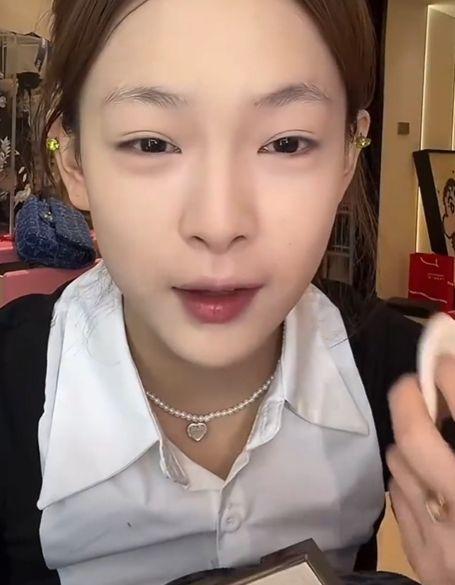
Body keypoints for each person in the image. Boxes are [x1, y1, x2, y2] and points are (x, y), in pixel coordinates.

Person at [0, 1, 453, 584]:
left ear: (348, 154)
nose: (218, 224)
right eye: (151, 144)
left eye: (286, 144)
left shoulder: (407, 375)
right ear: (75, 160)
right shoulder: (14, 384)